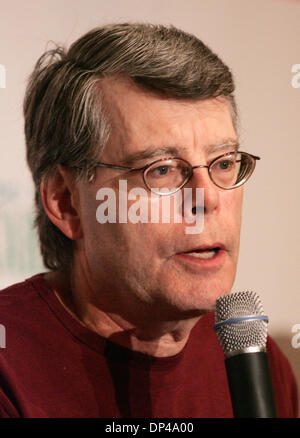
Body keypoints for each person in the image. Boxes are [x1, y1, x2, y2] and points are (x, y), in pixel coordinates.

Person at [0, 23, 298, 418]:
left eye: (224, 163)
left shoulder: (252, 359)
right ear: (66, 203)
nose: (207, 198)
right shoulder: (8, 366)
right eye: (161, 170)